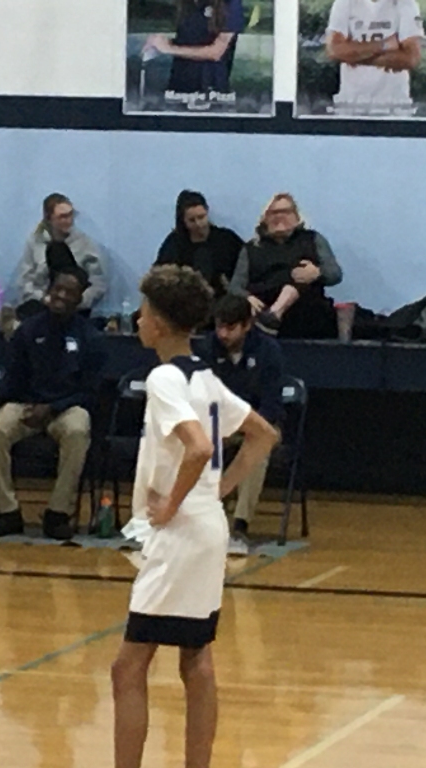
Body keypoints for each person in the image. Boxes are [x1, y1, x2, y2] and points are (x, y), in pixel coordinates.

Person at [111, 264, 278, 768]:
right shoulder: (205, 375)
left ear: (159, 323)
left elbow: (200, 447)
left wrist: (173, 503)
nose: (137, 320)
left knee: (128, 667)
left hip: (181, 533)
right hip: (208, 526)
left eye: (143, 312)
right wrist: (217, 491)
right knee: (196, 660)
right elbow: (264, 435)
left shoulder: (165, 377)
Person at [0, 266, 105, 541]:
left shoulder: (90, 337)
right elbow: (14, 377)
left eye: (69, 292)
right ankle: (7, 511)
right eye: (57, 289)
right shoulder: (29, 329)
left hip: (66, 408)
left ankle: (58, 513)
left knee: (78, 429)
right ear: (48, 291)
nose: (61, 296)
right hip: (28, 405)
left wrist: (54, 407)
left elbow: (91, 391)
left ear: (79, 298)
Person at [198, 294, 284, 555]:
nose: (223, 334)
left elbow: (271, 405)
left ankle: (239, 525)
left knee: (258, 449)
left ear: (247, 325)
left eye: (230, 328)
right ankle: (201, 519)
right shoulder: (205, 349)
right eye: (219, 327)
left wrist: (248, 426)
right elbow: (201, 398)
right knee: (195, 443)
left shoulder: (269, 351)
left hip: (258, 425)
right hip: (218, 425)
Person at [229, 193, 342, 338]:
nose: (279, 216)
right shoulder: (251, 248)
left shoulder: (312, 239)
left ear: (296, 217)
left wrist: (317, 273)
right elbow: (235, 287)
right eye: (274, 212)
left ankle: (274, 315)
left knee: (301, 277)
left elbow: (335, 274)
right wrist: (247, 298)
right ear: (265, 219)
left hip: (308, 312)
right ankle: (270, 317)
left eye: (286, 212)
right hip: (262, 306)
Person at [15, 193, 106, 315]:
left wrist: (79, 301)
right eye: (62, 217)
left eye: (70, 215)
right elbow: (25, 282)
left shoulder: (85, 244)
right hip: (41, 306)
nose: (69, 220)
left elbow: (98, 284)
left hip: (76, 310)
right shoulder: (35, 242)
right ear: (49, 218)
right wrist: (45, 299)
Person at [324, 0, 423, 110]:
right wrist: (384, 45)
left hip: (395, 102)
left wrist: (353, 56)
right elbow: (334, 50)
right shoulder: (344, 3)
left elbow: (411, 58)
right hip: (351, 101)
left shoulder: (406, 4)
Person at [145, 0, 246, 98]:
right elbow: (189, 40)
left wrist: (169, 49)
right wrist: (160, 42)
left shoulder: (229, 3)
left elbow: (216, 52)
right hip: (179, 84)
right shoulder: (187, 4)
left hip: (210, 89)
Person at [155, 190, 244, 299]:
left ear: (207, 212)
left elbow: (245, 266)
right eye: (192, 220)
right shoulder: (174, 244)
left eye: (201, 217)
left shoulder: (227, 239)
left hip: (224, 300)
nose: (198, 224)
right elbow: (159, 276)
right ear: (183, 221)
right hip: (186, 301)